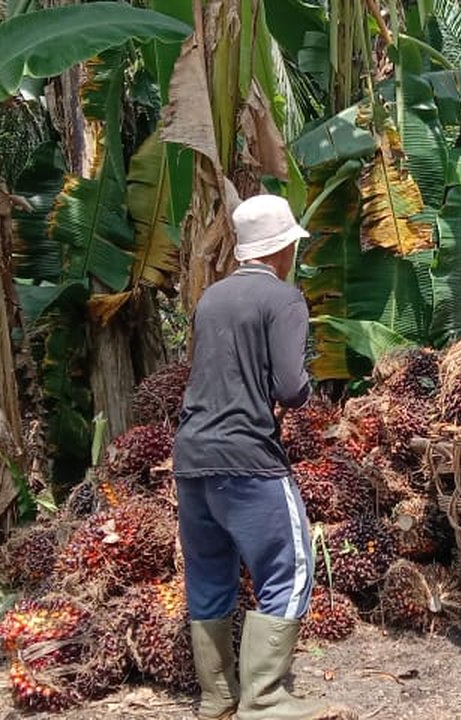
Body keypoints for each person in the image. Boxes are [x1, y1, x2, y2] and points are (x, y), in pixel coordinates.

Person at [174, 195, 353, 720]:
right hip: (247, 455)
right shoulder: (283, 299)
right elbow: (291, 387)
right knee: (290, 566)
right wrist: (304, 392)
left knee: (209, 572)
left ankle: (217, 697)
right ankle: (266, 699)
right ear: (282, 249)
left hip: (191, 457)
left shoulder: (210, 298)